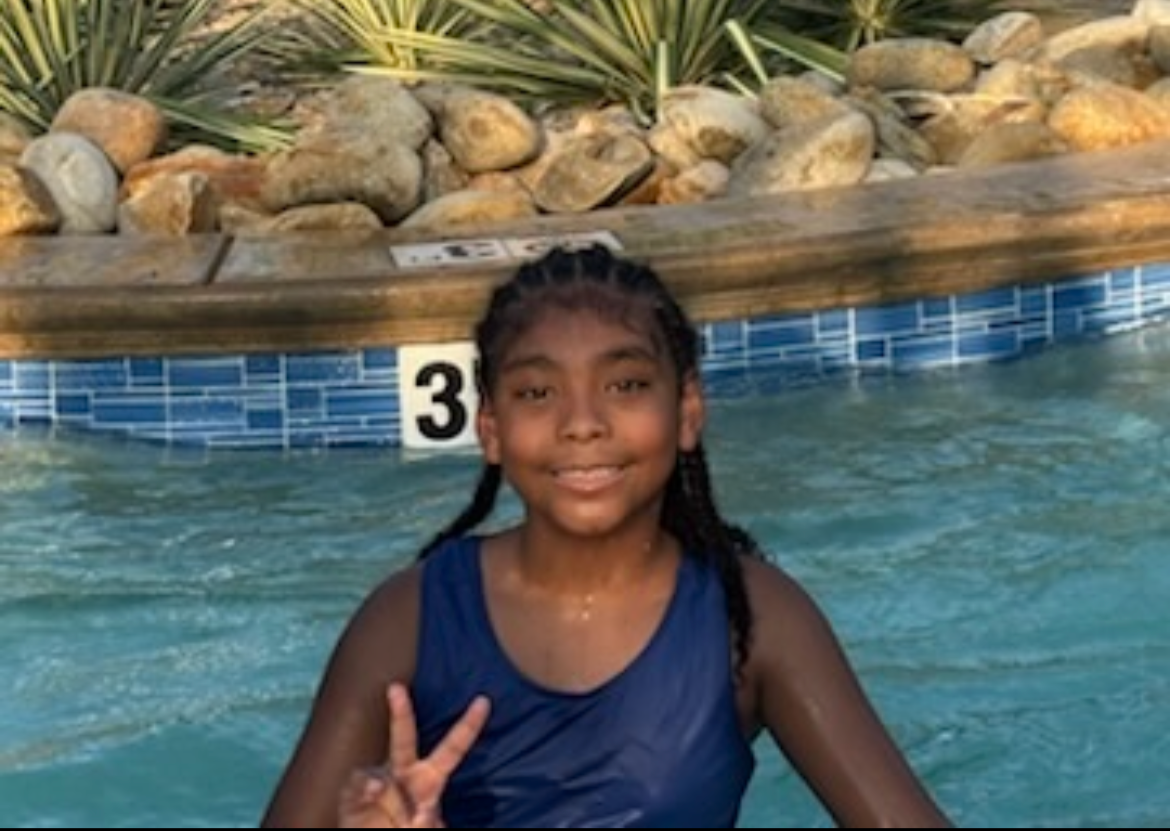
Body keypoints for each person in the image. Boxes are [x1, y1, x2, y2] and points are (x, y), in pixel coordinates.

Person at [259, 243, 954, 830]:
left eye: (625, 385)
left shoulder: (755, 619)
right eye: (537, 393)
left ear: (687, 411)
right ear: (490, 428)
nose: (583, 423)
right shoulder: (404, 623)